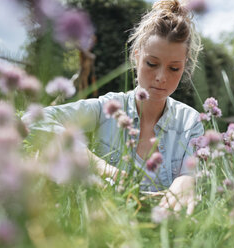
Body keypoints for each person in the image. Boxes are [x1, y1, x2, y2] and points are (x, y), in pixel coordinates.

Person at [24, 0, 204, 215]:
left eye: (174, 68)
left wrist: (187, 181)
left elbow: (192, 171)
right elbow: (31, 120)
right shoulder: (108, 107)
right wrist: (97, 164)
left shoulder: (190, 121)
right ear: (137, 57)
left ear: (184, 66)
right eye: (152, 64)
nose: (161, 77)